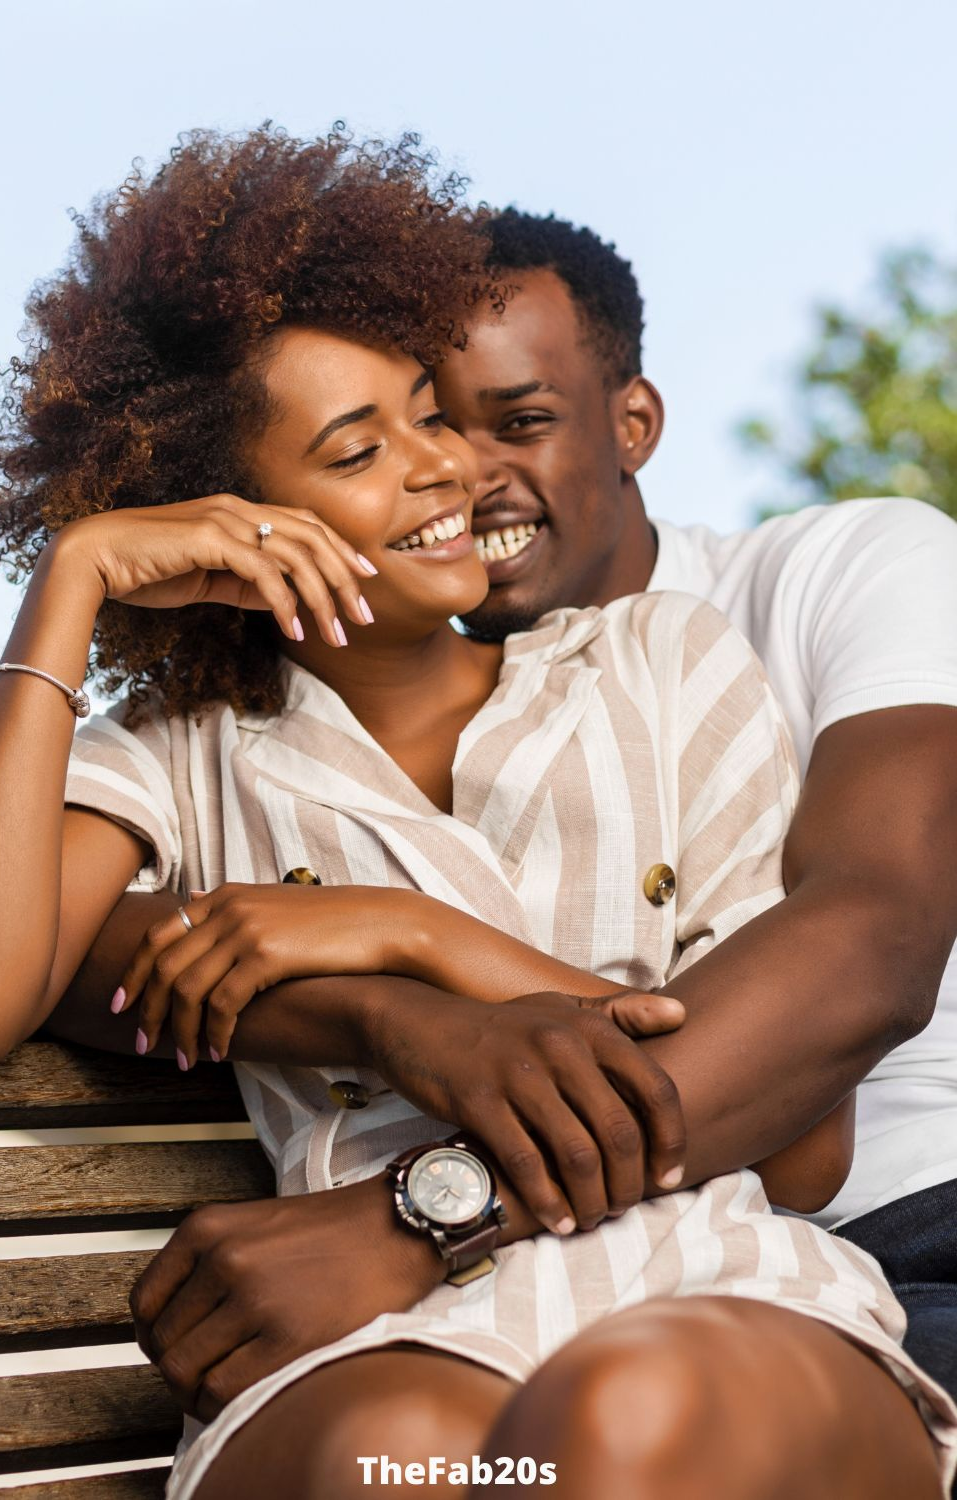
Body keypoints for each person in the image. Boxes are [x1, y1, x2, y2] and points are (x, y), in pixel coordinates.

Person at [0, 126, 954, 1500]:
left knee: (621, 1426)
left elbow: (802, 1145)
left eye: (433, 415)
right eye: (362, 450)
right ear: (234, 513)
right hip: (368, 1333)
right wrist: (68, 586)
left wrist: (425, 946)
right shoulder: (179, 758)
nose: (445, 471)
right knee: (412, 1467)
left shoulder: (660, 663)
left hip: (701, 1264)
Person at [431, 208, 957, 1397]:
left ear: (633, 424)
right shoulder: (383, 723)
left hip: (910, 1226)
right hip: (588, 1288)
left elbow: (872, 943)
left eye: (520, 422)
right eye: (428, 428)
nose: (467, 478)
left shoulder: (853, 568)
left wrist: (421, 1220)